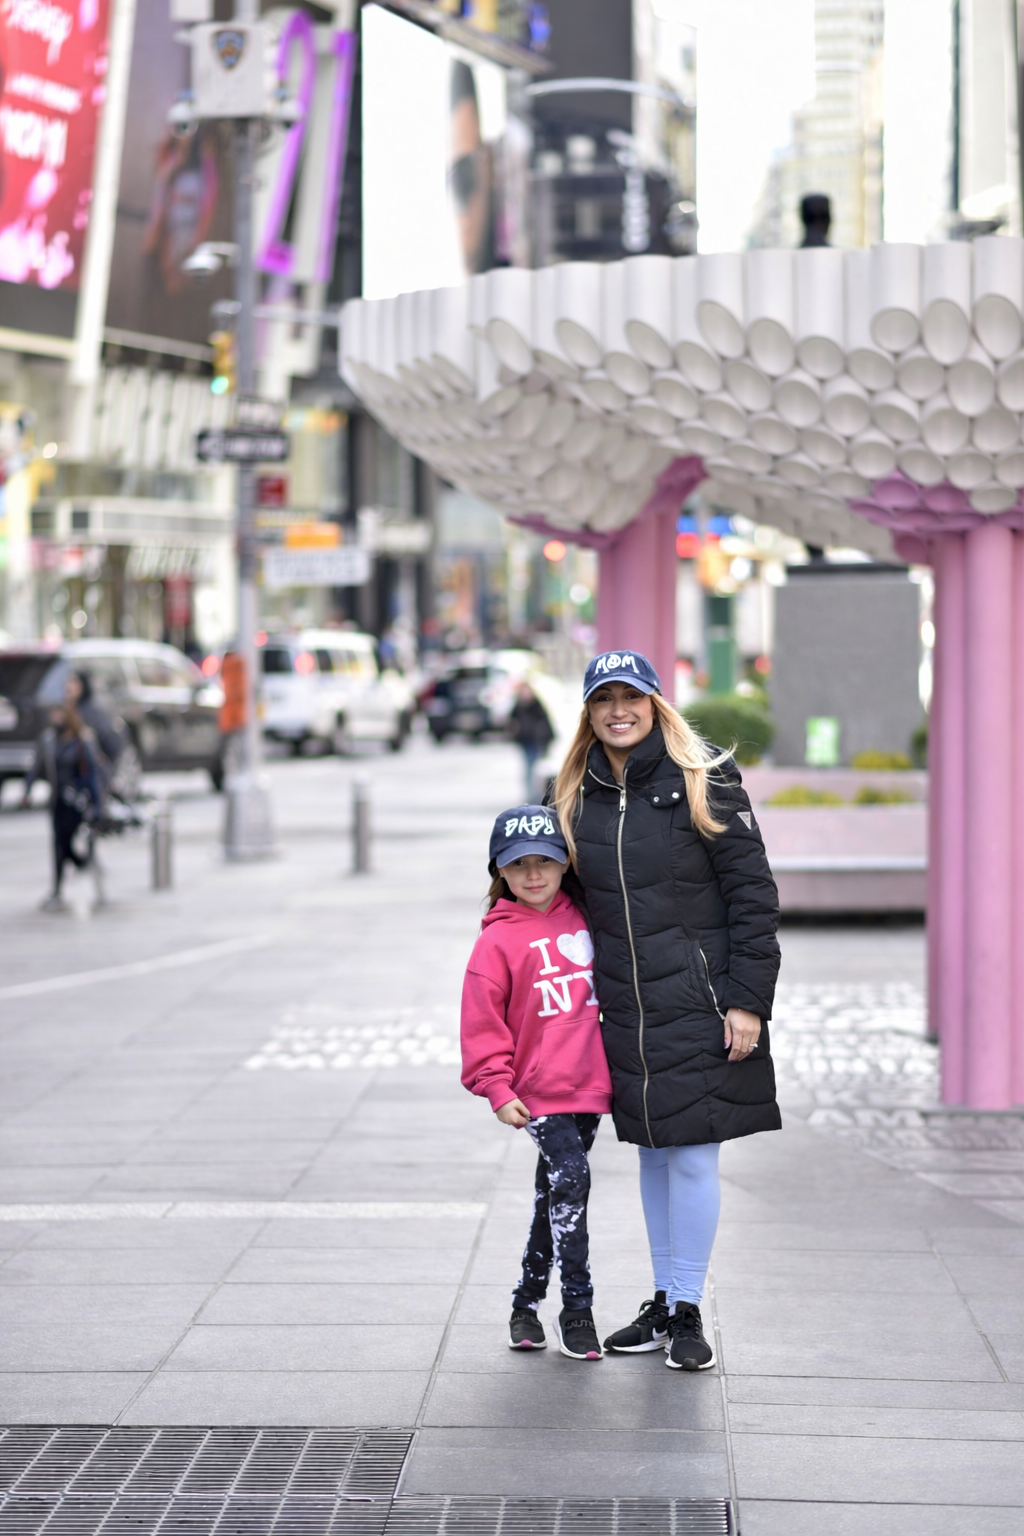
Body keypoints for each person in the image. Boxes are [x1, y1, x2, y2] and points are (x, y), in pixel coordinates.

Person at [551, 650, 781, 1371]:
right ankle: (663, 1300)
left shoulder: (705, 778)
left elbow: (753, 898)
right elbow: (553, 899)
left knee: (693, 1155)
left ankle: (686, 1306)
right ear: (589, 712)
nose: (618, 711)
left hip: (699, 1003)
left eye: (632, 698)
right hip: (624, 1009)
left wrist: (747, 1002)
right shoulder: (573, 794)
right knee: (653, 1151)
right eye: (604, 699)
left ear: (656, 704)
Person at [460, 805, 613, 1361]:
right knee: (572, 1179)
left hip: (589, 1083)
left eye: (544, 862)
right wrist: (498, 1089)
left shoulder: (589, 918)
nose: (532, 875)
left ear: (564, 862)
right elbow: (481, 1024)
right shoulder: (496, 942)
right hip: (537, 1090)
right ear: (499, 871)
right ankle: (578, 1308)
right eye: (518, 864)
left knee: (555, 1190)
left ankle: (525, 1304)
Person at [23, 703, 102, 912]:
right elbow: (36, 767)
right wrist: (27, 790)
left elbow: (92, 773)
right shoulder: (48, 740)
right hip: (58, 801)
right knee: (59, 845)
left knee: (68, 844)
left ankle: (83, 864)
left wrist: (97, 804)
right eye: (53, 714)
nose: (56, 718)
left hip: (77, 803)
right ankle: (59, 888)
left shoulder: (82, 740)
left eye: (59, 714)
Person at [507, 681, 554, 798]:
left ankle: (537, 793)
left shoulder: (536, 705)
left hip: (536, 741)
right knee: (529, 767)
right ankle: (531, 794)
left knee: (536, 768)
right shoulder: (518, 706)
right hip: (524, 741)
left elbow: (545, 722)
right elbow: (511, 720)